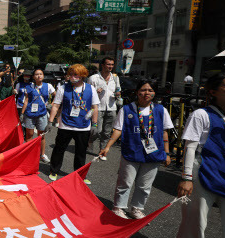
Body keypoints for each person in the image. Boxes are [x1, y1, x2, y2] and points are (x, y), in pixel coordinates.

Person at [173, 72, 225, 238]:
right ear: (213, 91)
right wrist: (186, 177)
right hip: (204, 172)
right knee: (197, 221)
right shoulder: (201, 114)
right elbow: (190, 147)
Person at [99, 80, 173, 219]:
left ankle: (137, 208)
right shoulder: (126, 110)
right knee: (125, 182)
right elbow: (118, 129)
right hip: (132, 151)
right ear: (137, 92)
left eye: (150, 90)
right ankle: (118, 207)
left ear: (154, 93)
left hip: (154, 154)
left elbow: (164, 132)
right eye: (143, 90)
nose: (147, 93)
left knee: (145, 185)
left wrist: (167, 153)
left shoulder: (160, 110)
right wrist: (107, 147)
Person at [47, 64, 99, 184]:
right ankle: (54, 170)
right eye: (71, 74)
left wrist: (95, 124)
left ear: (82, 75)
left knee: (81, 152)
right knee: (59, 149)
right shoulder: (63, 88)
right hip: (65, 124)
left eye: (75, 74)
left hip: (83, 125)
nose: (72, 77)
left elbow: (95, 107)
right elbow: (55, 105)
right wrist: (50, 121)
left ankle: (80, 174)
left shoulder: (90, 89)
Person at [87, 57, 120, 160]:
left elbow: (118, 89)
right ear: (102, 65)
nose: (110, 66)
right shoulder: (93, 78)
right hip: (98, 108)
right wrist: (96, 92)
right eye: (108, 64)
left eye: (112, 65)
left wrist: (118, 94)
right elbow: (87, 94)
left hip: (111, 107)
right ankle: (90, 140)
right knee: (97, 131)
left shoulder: (115, 78)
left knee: (107, 132)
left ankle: (102, 151)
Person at [21, 69, 55, 162]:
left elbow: (56, 96)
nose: (39, 76)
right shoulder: (29, 86)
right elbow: (26, 100)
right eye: (36, 74)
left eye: (40, 74)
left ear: (43, 76)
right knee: (29, 135)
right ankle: (29, 154)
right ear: (33, 77)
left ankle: (42, 154)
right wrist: (22, 113)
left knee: (41, 135)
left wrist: (51, 104)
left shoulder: (48, 86)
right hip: (29, 114)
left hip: (42, 114)